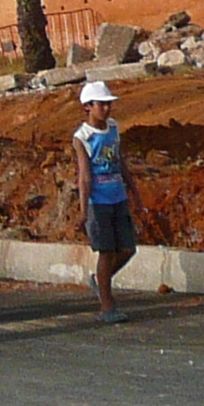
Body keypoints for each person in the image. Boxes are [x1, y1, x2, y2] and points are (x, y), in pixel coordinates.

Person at [72, 77, 138, 322]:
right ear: (87, 106)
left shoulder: (113, 128)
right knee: (106, 252)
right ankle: (107, 306)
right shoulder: (83, 137)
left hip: (117, 196)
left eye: (108, 104)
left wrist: (134, 192)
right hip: (98, 202)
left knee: (128, 249)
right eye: (101, 104)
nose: (106, 108)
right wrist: (83, 210)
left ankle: (101, 280)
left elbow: (120, 161)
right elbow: (85, 176)